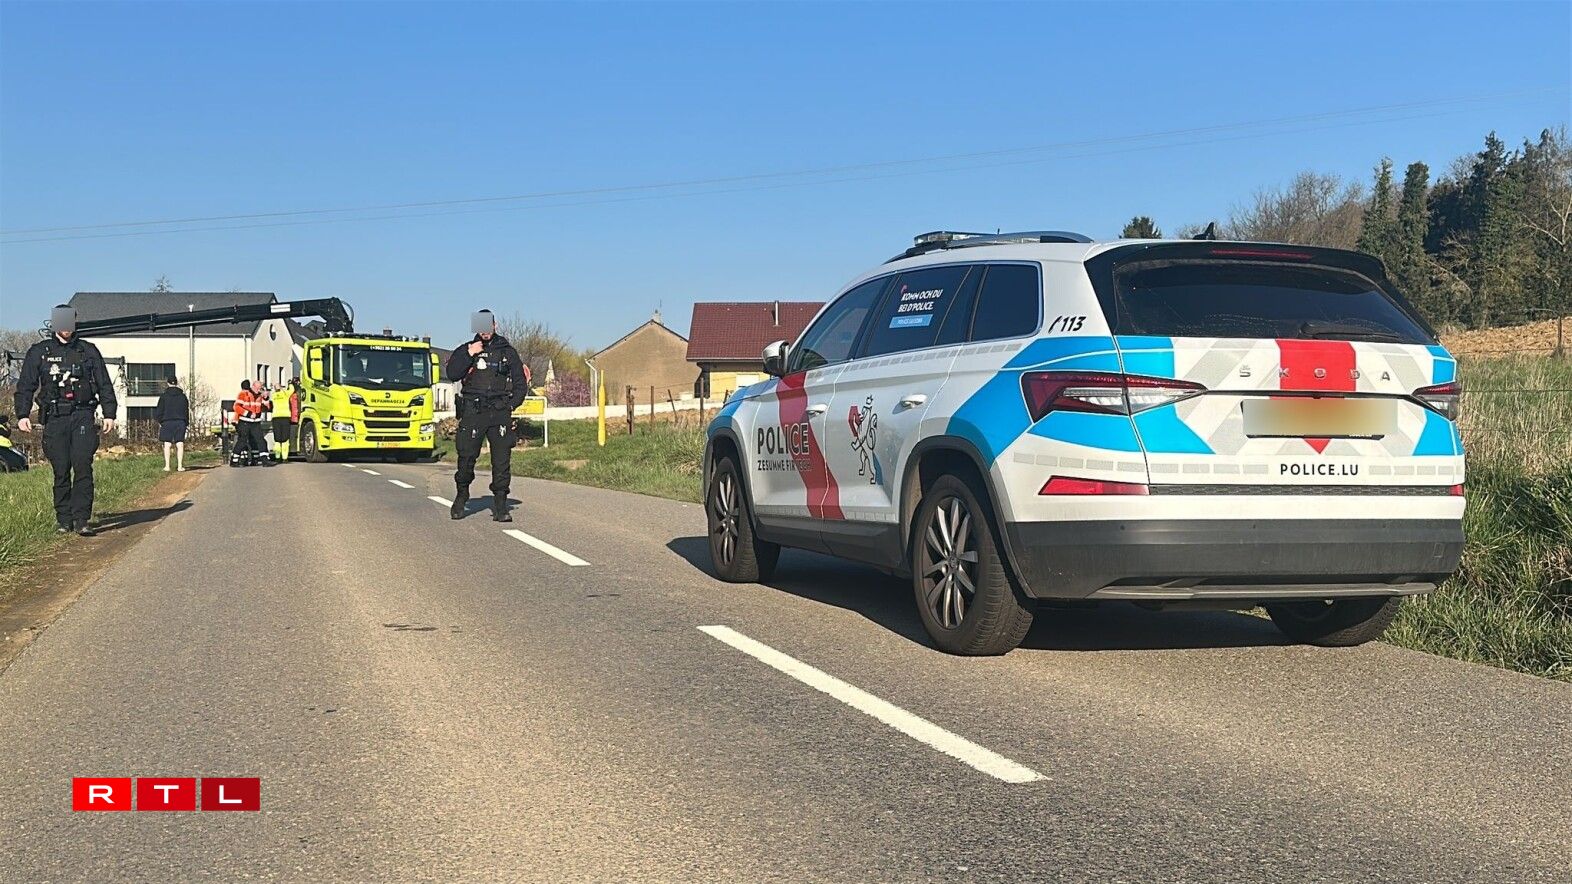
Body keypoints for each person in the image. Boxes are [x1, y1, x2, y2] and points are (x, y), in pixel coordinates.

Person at [13, 305, 118, 536]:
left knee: (82, 466)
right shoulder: (39, 352)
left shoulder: (88, 351)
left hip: (82, 415)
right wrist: (22, 414)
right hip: (55, 418)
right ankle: (64, 519)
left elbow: (104, 383)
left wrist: (110, 412)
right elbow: (26, 386)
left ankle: (81, 519)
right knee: (61, 470)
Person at [445, 309, 527, 521]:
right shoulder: (467, 349)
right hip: (474, 410)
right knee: (466, 457)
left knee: (501, 460)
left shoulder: (508, 352)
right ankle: (462, 495)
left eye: (487, 327)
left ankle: (500, 505)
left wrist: (511, 405)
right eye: (480, 328)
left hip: (499, 411)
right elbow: (452, 373)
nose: (485, 332)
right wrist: (469, 354)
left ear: (494, 325)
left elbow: (520, 383)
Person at [153, 376, 190, 472]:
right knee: (180, 443)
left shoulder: (164, 396)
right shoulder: (183, 396)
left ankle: (167, 466)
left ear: (168, 383)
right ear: (176, 383)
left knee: (167, 444)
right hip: (180, 421)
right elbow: (186, 411)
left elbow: (159, 411)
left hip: (167, 421)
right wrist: (186, 422)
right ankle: (180, 466)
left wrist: (160, 420)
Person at [232, 380, 267, 466]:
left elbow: (267, 407)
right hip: (245, 421)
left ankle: (265, 459)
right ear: (254, 387)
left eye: (261, 389)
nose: (260, 390)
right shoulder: (244, 394)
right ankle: (234, 460)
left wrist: (266, 398)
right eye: (259, 388)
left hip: (256, 422)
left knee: (260, 440)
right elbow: (236, 407)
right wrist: (248, 414)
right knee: (242, 441)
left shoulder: (260, 396)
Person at [269, 380, 297, 461]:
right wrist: (290, 383)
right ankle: (285, 458)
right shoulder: (285, 393)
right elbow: (292, 390)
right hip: (285, 417)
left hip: (276, 417)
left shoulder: (273, 395)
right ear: (281, 387)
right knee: (285, 439)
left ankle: (278, 457)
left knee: (277, 439)